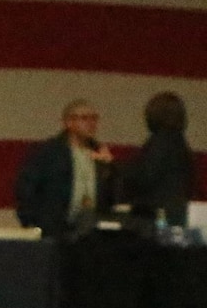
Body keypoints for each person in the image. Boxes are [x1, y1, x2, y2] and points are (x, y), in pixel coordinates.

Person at [14, 100, 113, 238]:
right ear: (68, 122)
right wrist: (32, 221)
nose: (91, 123)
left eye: (94, 118)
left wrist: (110, 167)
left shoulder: (100, 154)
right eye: (84, 118)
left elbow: (113, 192)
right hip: (54, 228)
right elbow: (26, 187)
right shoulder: (49, 152)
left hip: (91, 230)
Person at [120, 91, 195, 228]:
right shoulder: (180, 143)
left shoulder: (161, 142)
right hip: (175, 213)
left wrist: (119, 169)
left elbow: (146, 176)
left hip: (153, 216)